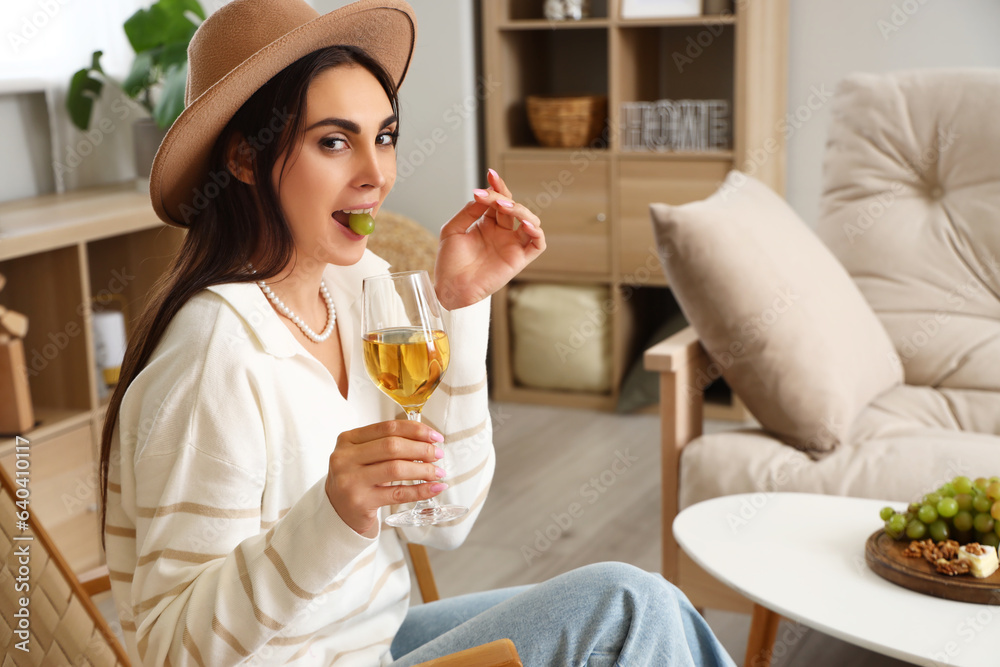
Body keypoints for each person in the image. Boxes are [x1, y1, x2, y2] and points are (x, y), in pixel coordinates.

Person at [99, 0, 737, 665]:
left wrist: (458, 304)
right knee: (627, 607)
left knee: (663, 608)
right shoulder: (216, 360)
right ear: (245, 158)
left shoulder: (359, 291)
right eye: (335, 141)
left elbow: (451, 514)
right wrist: (333, 514)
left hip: (375, 642)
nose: (377, 173)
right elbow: (169, 650)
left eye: (385, 135)